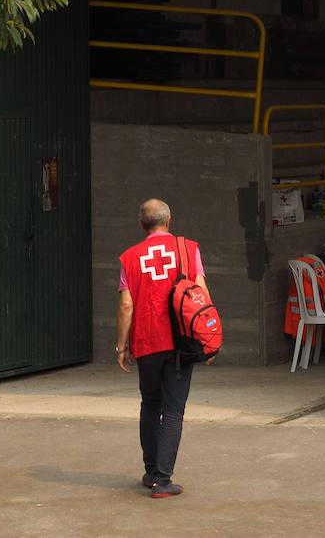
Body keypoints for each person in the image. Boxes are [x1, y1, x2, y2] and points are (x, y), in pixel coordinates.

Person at [115, 198, 210, 499]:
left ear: (141, 224)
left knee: (150, 404)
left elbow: (126, 304)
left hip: (146, 343)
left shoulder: (129, 258)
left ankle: (151, 471)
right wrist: (206, 341)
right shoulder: (188, 250)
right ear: (169, 221)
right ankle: (163, 481)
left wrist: (121, 347)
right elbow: (201, 295)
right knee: (173, 410)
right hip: (181, 343)